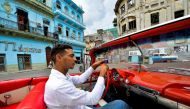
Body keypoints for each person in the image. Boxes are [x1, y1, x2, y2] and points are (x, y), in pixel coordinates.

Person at [44, 44, 129, 109]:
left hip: (79, 106)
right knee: (121, 104)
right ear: (59, 57)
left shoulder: (61, 76)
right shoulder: (59, 85)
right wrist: (102, 74)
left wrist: (93, 66)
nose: (75, 59)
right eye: (71, 56)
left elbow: (80, 79)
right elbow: (93, 99)